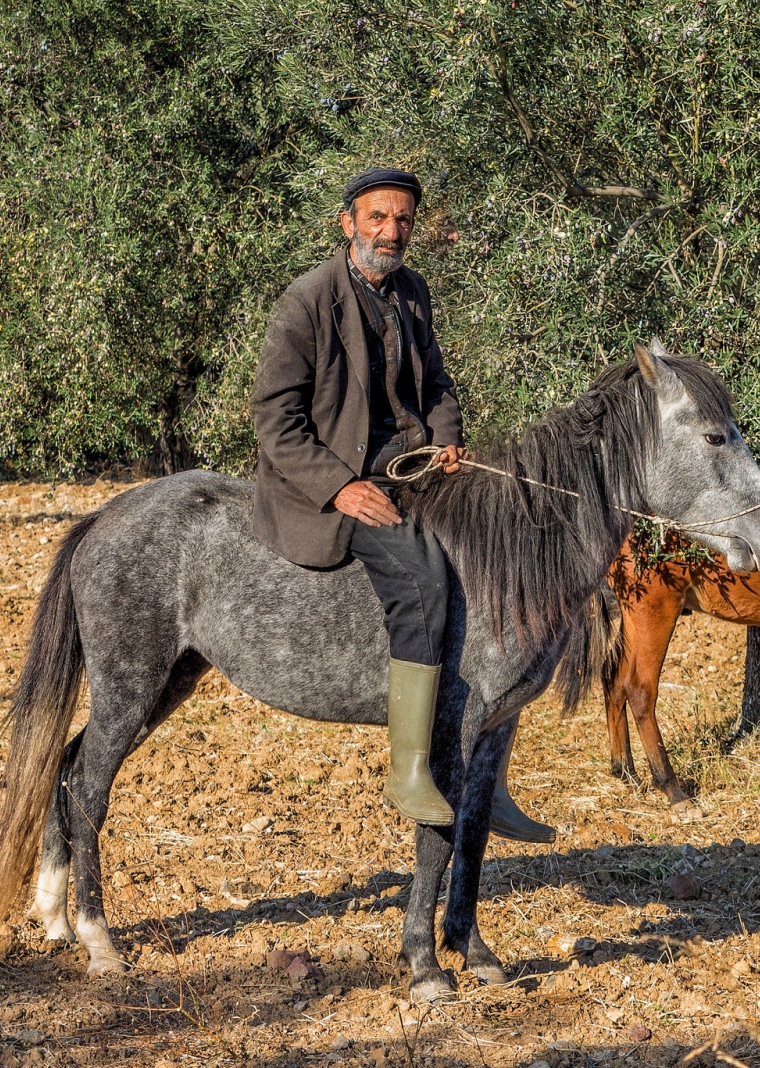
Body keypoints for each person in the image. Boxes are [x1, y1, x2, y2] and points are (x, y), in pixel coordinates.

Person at [251, 167, 553, 842]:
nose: (392, 232)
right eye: (378, 218)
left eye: (403, 220)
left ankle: (487, 781)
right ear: (349, 224)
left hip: (413, 472)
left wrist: (447, 440)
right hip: (333, 486)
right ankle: (410, 768)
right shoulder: (306, 302)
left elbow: (439, 386)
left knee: (498, 550)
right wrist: (339, 487)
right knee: (421, 579)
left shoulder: (411, 291)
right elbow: (275, 420)